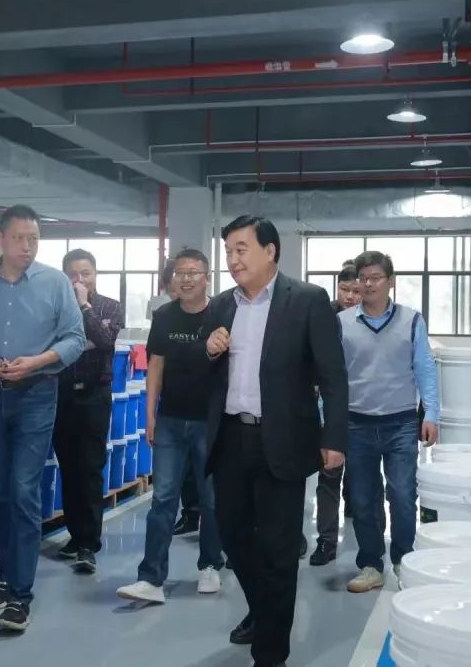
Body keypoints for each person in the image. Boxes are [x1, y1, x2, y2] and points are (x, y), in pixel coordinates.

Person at [204, 216, 349, 667]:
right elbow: (207, 372)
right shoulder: (221, 305)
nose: (233, 259)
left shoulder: (307, 300)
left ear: (270, 251)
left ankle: (271, 654)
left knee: (279, 549)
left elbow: (333, 376)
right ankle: (264, 612)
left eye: (241, 249)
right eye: (228, 251)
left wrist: (334, 437)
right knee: (232, 537)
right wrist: (208, 349)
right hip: (230, 438)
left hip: (283, 440)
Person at [0, 204, 86, 632]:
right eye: (19, 238)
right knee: (3, 492)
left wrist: (36, 362)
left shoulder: (56, 283)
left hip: (37, 394)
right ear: (0, 238)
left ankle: (20, 596)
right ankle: (6, 576)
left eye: (34, 239)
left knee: (25, 490)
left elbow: (75, 338)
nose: (27, 246)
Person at [116, 248, 224, 604]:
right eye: (181, 273)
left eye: (194, 272)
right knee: (163, 498)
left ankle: (210, 565)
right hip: (171, 421)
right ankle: (151, 578)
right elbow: (156, 366)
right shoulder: (164, 316)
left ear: (207, 277)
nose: (187, 279)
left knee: (211, 499)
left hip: (210, 422)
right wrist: (150, 415)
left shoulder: (222, 313)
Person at [342, 250, 439, 594]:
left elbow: (425, 369)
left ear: (391, 282)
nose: (368, 284)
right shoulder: (343, 323)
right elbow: (333, 376)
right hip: (356, 424)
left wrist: (431, 414)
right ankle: (371, 564)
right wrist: (328, 419)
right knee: (363, 499)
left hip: (401, 424)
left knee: (402, 494)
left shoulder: (411, 320)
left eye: (375, 278)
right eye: (363, 278)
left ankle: (402, 560)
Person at [54, 248, 124, 574]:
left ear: (95, 274)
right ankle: (74, 534)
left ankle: (89, 543)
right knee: (69, 467)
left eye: (86, 274)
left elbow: (106, 341)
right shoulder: (55, 307)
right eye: (73, 275)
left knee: (91, 467)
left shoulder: (110, 306)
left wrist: (84, 306)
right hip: (62, 394)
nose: (79, 280)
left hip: (95, 395)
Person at [310, 264, 363, 566]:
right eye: (345, 290)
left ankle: (356, 511)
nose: (350, 297)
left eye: (356, 291)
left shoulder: (369, 320)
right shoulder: (323, 316)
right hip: (327, 409)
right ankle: (326, 541)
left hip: (361, 410)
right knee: (328, 474)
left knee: (358, 476)